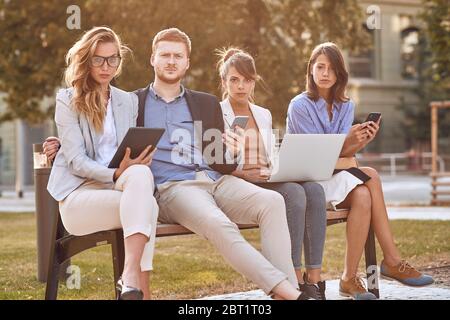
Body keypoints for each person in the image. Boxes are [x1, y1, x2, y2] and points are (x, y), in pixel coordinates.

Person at [46, 28, 309, 300]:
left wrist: (233, 151)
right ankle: (291, 294)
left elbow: (222, 162)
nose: (171, 61)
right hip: (175, 188)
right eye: (165, 55)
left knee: (273, 202)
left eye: (178, 56)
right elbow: (104, 137)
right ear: (153, 59)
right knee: (219, 224)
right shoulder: (134, 104)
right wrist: (61, 146)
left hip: (216, 181)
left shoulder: (206, 103)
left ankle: (286, 291)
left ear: (187, 63)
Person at [286, 42, 434, 300]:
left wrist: (358, 142)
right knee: (372, 175)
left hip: (334, 176)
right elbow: (315, 159)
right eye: (320, 67)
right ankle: (392, 261)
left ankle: (349, 278)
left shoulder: (346, 106)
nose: (325, 73)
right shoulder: (299, 106)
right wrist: (348, 143)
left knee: (364, 195)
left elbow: (344, 158)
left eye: (332, 69)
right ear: (311, 70)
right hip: (308, 184)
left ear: (340, 74)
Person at [46, 26, 159, 300]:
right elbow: (76, 161)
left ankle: (129, 276)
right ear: (86, 60)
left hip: (117, 190)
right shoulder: (67, 99)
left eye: (113, 59)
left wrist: (136, 160)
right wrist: (117, 172)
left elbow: (125, 153)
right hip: (79, 198)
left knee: (142, 175)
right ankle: (137, 286)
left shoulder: (128, 101)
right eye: (98, 59)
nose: (106, 66)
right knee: (148, 206)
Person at [217, 47, 327, 299]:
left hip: (267, 178)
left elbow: (271, 154)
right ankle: (294, 278)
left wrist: (279, 169)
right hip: (240, 182)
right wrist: (244, 173)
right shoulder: (217, 113)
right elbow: (215, 161)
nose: (241, 86)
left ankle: (315, 277)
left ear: (254, 82)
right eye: (234, 80)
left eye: (247, 80)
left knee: (314, 190)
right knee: (294, 194)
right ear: (224, 81)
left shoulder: (262, 114)